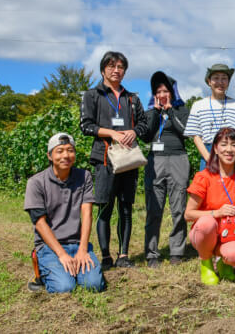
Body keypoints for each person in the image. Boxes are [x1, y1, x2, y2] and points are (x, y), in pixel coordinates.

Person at [80, 51, 147, 269]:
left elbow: (144, 125)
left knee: (126, 208)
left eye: (120, 67)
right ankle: (107, 256)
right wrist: (111, 132)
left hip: (128, 159)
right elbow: (85, 126)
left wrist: (134, 132)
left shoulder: (132, 98)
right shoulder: (92, 95)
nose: (116, 70)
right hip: (105, 159)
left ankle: (124, 255)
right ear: (103, 70)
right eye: (111, 66)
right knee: (105, 207)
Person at [23, 133, 105, 293]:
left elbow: (87, 214)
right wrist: (62, 254)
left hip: (77, 244)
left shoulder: (84, 176)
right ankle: (41, 273)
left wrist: (82, 249)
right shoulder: (36, 183)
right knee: (64, 287)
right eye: (59, 151)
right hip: (50, 246)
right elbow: (40, 223)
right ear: (49, 155)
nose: (66, 155)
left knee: (94, 285)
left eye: (70, 150)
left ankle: (71, 270)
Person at [184, 127, 235, 285]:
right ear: (216, 149)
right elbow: (188, 214)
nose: (229, 150)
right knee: (206, 223)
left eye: (234, 145)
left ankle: (224, 264)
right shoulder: (203, 177)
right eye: (224, 145)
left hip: (232, 232)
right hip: (206, 232)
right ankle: (206, 263)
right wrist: (215, 213)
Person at [142, 71, 190, 268]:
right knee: (154, 208)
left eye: (166, 91)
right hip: (155, 161)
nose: (162, 94)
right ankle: (152, 252)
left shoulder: (182, 109)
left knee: (179, 207)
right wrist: (155, 110)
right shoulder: (149, 111)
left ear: (172, 92)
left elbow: (185, 131)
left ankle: (177, 250)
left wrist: (170, 111)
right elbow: (146, 135)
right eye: (158, 91)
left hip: (178, 158)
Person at [184, 64, 235, 171]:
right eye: (216, 78)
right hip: (208, 152)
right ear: (209, 81)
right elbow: (196, 136)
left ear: (228, 82)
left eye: (224, 78)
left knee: (231, 187)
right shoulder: (198, 105)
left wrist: (233, 154)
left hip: (232, 154)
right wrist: (209, 158)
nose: (220, 82)